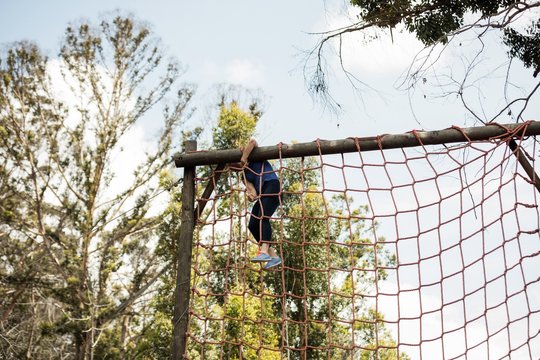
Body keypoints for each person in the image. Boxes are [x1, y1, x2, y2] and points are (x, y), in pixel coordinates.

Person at [231, 138, 282, 270]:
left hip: (272, 185)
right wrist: (251, 196)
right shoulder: (244, 176)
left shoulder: (254, 157)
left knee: (262, 216)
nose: (237, 168)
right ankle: (273, 256)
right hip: (262, 193)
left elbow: (253, 142)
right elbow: (253, 192)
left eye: (236, 164)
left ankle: (264, 251)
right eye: (234, 168)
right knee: (253, 224)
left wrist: (244, 156)